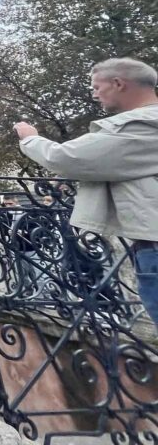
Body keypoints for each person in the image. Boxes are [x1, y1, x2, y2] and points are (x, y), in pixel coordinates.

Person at [14, 57, 158, 323]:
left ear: (118, 83)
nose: (93, 94)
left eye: (96, 86)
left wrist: (30, 138)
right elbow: (113, 165)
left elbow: (67, 158)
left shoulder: (140, 126)